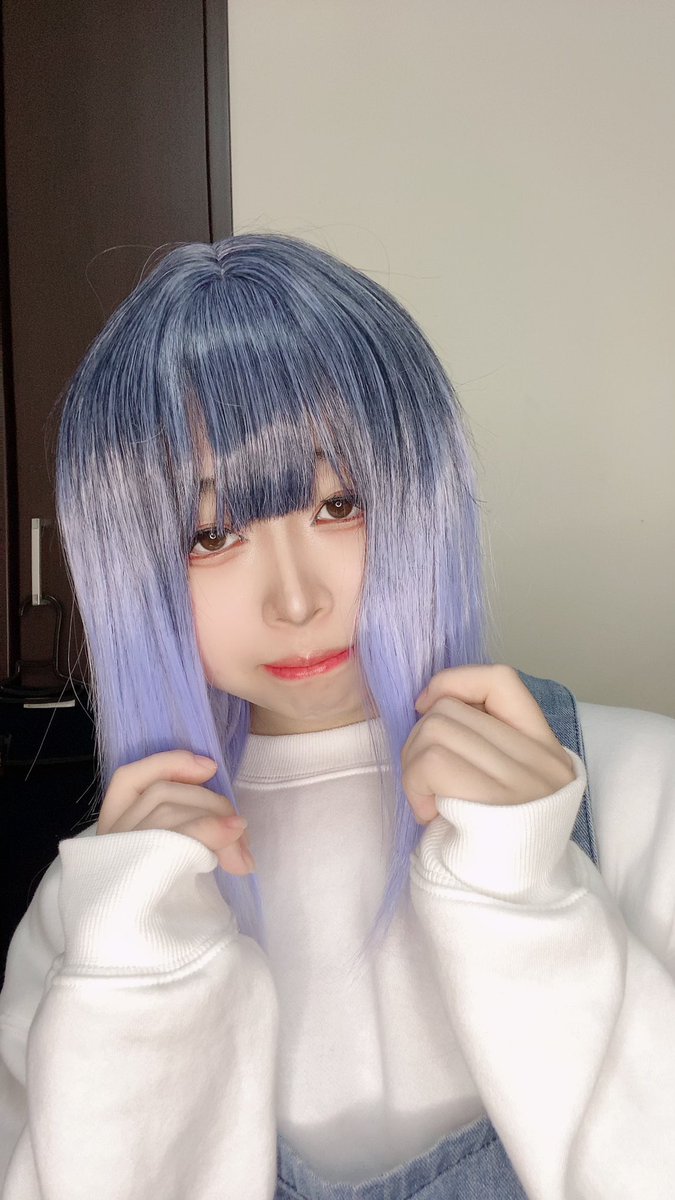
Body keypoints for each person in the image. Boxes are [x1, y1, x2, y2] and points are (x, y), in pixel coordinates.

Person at [1, 233, 673, 1200]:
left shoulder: (640, 785)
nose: (295, 600)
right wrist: (137, 989)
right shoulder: (95, 908)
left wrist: (530, 900)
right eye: (210, 534)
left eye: (339, 503)